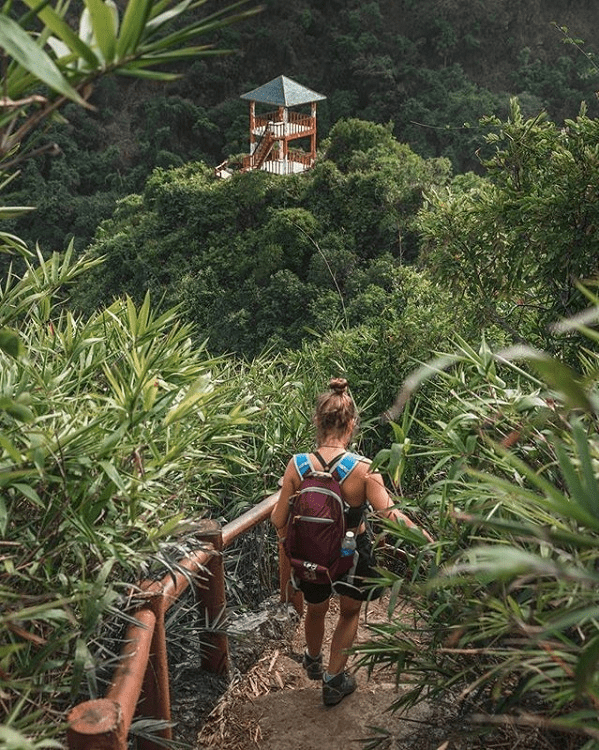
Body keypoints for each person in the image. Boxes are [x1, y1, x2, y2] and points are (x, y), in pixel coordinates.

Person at [271, 377, 433, 706]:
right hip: (352, 555)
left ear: (317, 421)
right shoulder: (363, 468)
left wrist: (290, 543)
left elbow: (277, 519)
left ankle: (313, 658)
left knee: (315, 610)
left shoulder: (297, 465)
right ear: (352, 424)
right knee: (348, 612)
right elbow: (391, 515)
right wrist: (426, 537)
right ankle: (334, 679)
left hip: (310, 555)